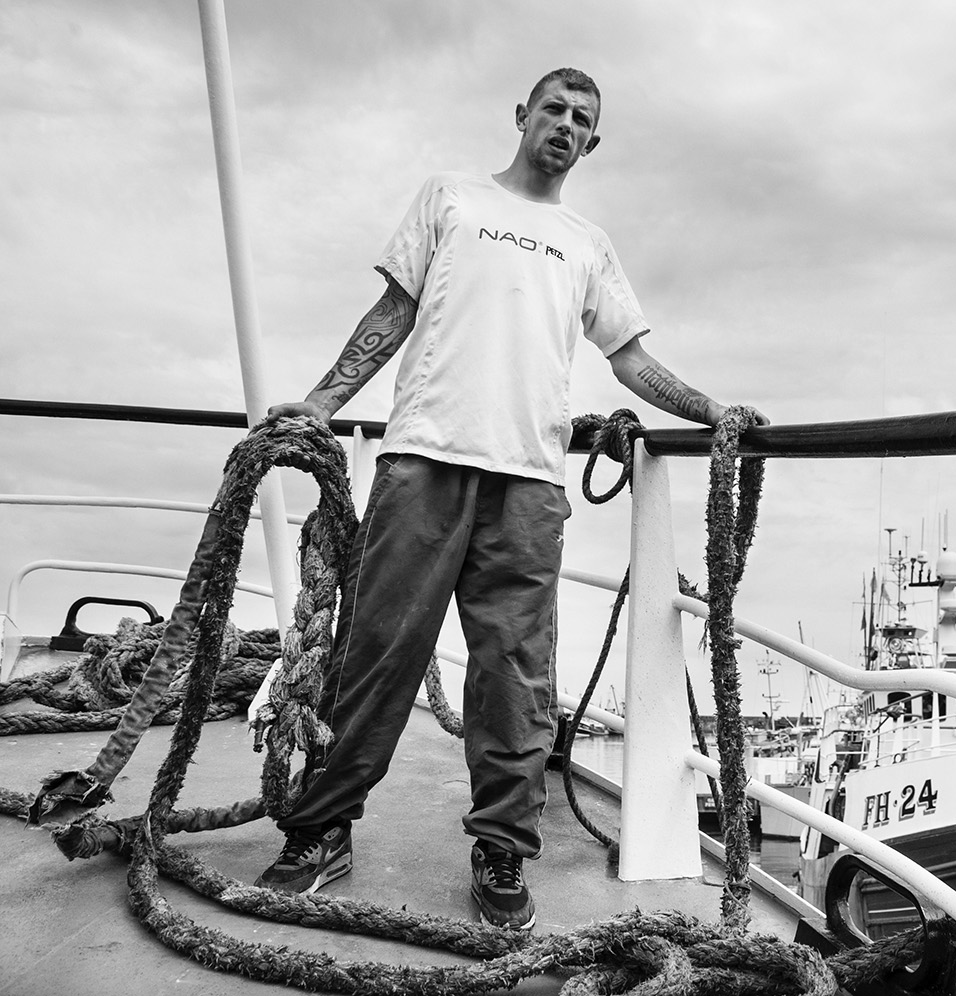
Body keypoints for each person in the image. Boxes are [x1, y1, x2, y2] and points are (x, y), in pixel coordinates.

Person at [253, 68, 767, 930]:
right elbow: (393, 310)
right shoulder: (449, 197)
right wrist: (321, 403)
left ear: (592, 144)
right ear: (521, 116)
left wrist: (711, 410)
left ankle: (500, 852)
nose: (565, 125)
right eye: (554, 110)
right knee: (378, 653)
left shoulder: (586, 242)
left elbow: (630, 361)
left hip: (529, 483)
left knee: (516, 680)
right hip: (423, 461)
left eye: (583, 120)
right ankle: (322, 829)